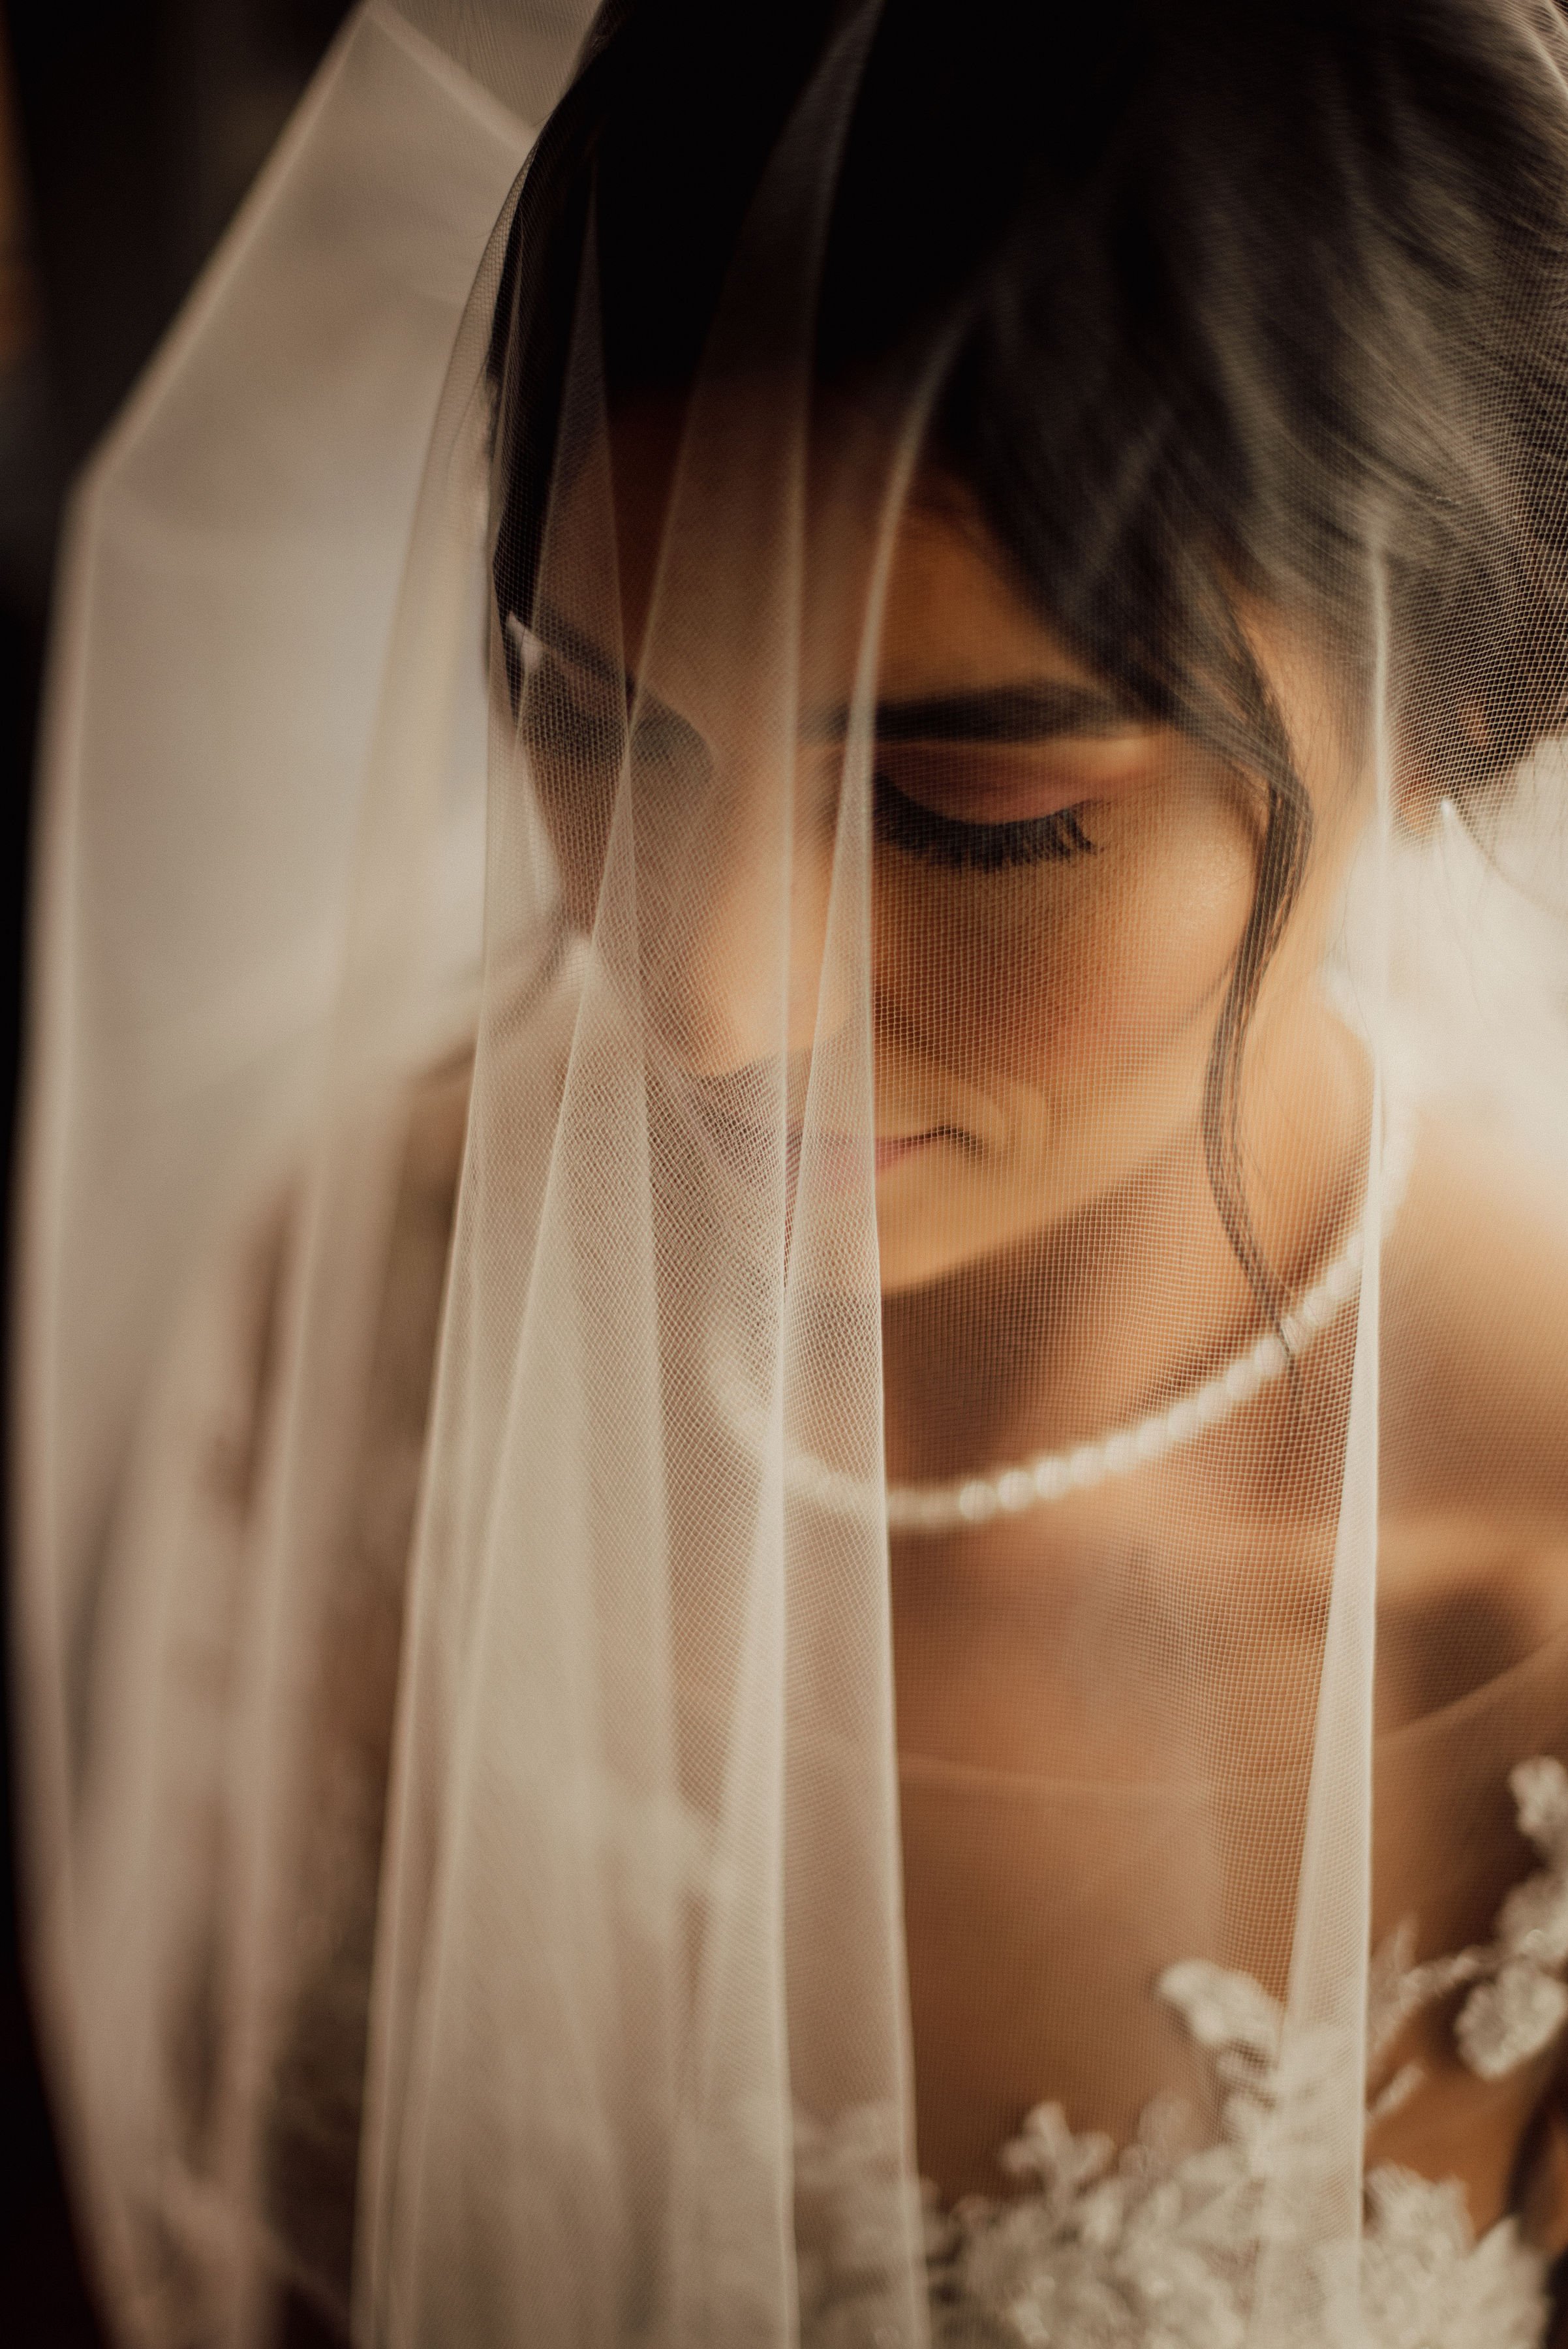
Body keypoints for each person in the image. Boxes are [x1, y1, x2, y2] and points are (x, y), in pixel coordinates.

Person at [18, 0, 1568, 2341]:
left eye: (975, 816)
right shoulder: (384, 1285)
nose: (707, 1000)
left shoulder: (1535, 1633)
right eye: (587, 718)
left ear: (1461, 702)